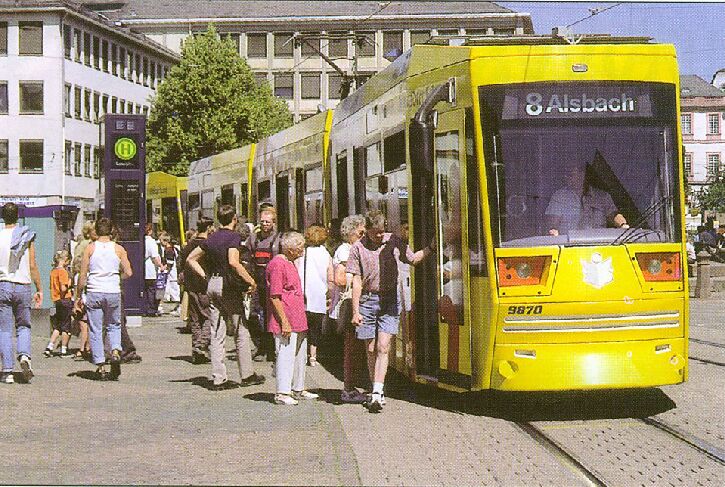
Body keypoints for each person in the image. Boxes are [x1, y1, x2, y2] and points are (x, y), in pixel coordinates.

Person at [348, 210, 434, 413]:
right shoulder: (357, 249)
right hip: (367, 300)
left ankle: (377, 391)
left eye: (382, 231)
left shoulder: (393, 242)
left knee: (383, 347)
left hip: (389, 299)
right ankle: (374, 386)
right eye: (375, 233)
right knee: (370, 349)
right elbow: (357, 282)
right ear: (366, 230)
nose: (380, 236)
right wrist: (355, 311)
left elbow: (413, 259)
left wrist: (431, 247)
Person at [186, 205, 265, 390]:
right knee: (241, 330)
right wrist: (251, 281)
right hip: (227, 286)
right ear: (234, 219)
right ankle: (247, 374)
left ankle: (218, 377)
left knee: (216, 332)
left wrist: (205, 276)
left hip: (212, 284)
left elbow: (191, 259)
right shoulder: (234, 237)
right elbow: (233, 262)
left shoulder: (211, 238)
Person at [74, 217, 133, 380]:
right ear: (111, 230)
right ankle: (115, 350)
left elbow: (83, 275)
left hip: (94, 290)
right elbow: (129, 272)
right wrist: (116, 277)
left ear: (96, 231)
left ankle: (100, 365)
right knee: (114, 325)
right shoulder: (119, 249)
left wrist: (78, 296)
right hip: (113, 291)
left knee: (96, 328)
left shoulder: (90, 249)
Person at [267, 231, 319, 405]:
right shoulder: (278, 265)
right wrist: (284, 322)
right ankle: (282, 392)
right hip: (286, 318)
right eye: (300, 247)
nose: (303, 250)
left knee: (299, 354)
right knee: (285, 354)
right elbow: (275, 296)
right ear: (290, 249)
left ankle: (298, 387)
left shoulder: (290, 262)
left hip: (297, 317)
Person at [0, 203, 42, 384]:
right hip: (23, 285)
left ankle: (7, 371)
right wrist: (39, 288)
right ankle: (24, 356)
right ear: (17, 216)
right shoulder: (26, 236)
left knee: (4, 330)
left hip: (3, 285)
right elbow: (32, 264)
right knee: (23, 326)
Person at [329, 214, 368, 404]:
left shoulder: (352, 248)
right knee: (351, 348)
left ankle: (352, 387)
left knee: (355, 347)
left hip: (355, 302)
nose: (364, 235)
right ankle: (348, 389)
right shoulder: (345, 250)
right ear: (351, 232)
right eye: (361, 232)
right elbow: (341, 279)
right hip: (348, 303)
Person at [545, 163, 627, 236]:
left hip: (599, 245)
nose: (566, 177)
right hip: (569, 247)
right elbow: (552, 223)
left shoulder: (602, 196)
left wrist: (623, 225)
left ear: (582, 175)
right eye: (565, 175)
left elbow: (614, 215)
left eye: (570, 174)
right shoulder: (559, 196)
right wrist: (553, 231)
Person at [246, 206, 281, 362]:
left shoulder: (278, 239)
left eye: (268, 222)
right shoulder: (253, 239)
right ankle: (260, 345)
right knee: (254, 314)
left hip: (272, 280)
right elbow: (246, 256)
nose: (265, 224)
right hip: (256, 280)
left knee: (271, 315)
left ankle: (271, 347)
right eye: (262, 222)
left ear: (273, 223)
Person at [179, 217, 214, 364]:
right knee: (209, 317)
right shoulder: (208, 246)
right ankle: (201, 345)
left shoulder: (188, 246)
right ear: (209, 228)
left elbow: (181, 265)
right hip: (204, 285)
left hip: (190, 286)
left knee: (195, 320)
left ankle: (196, 352)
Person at [296, 225, 330, 367]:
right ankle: (313, 357)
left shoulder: (303, 253)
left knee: (303, 327)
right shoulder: (326, 254)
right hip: (319, 295)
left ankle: (301, 354)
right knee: (315, 328)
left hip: (303, 294)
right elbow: (330, 276)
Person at [70, 222, 94, 361]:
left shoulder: (82, 244)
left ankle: (86, 347)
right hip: (86, 288)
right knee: (88, 323)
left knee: (84, 322)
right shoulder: (87, 245)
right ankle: (87, 348)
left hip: (81, 283)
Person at [45, 250, 73, 357]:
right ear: (65, 260)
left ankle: (50, 346)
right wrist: (69, 285)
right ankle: (64, 350)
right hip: (65, 299)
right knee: (66, 326)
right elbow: (63, 288)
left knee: (58, 325)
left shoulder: (53, 271)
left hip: (56, 300)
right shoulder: (63, 272)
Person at [144, 223, 165, 317]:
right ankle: (151, 309)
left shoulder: (142, 241)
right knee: (152, 290)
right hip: (151, 269)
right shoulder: (151, 242)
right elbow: (155, 257)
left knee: (146, 289)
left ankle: (146, 308)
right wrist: (161, 265)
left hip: (143, 269)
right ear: (150, 231)